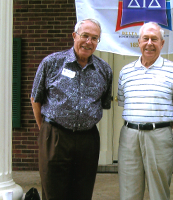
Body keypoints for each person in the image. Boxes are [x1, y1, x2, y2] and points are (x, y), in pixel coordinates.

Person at [30, 18, 112, 200]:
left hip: (88, 140)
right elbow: (36, 99)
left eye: (94, 38)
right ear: (74, 36)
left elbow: (104, 103)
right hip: (56, 137)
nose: (89, 42)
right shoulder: (51, 63)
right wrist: (45, 129)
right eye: (85, 36)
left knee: (82, 193)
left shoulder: (104, 70)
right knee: (53, 192)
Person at [117, 22, 173, 200]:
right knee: (128, 191)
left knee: (159, 192)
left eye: (154, 39)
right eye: (145, 39)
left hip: (160, 136)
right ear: (138, 42)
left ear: (162, 44)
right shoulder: (125, 72)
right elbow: (125, 103)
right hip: (129, 136)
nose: (149, 43)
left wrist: (162, 127)